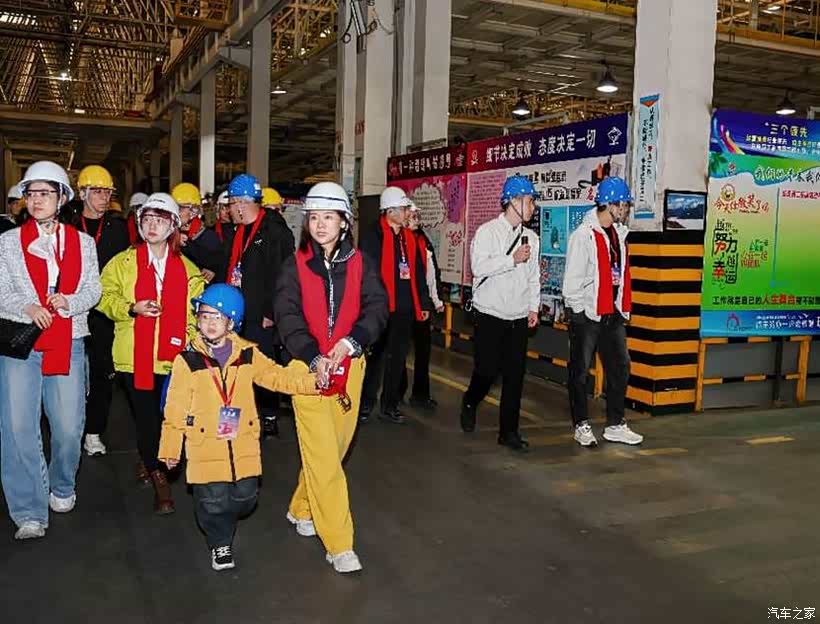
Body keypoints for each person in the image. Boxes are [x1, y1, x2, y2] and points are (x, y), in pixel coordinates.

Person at [159, 284, 319, 571]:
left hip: (242, 440)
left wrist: (314, 383)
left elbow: (277, 376)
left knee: (246, 497)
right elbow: (175, 408)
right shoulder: (187, 361)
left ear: (232, 323)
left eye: (217, 317)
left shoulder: (248, 355)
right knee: (213, 501)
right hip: (204, 445)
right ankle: (220, 542)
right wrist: (171, 449)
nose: (209, 322)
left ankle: (223, 517)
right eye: (204, 316)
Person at [274, 182, 387, 573]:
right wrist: (312, 355)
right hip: (305, 370)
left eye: (328, 217)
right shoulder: (293, 266)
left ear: (344, 222)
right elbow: (287, 316)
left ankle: (301, 507)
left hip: (350, 367)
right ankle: (339, 543)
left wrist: (352, 342)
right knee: (324, 455)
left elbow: (377, 307)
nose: (320, 224)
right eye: (314, 217)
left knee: (334, 449)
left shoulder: (362, 264)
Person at [0, 161, 102, 540]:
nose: (36, 200)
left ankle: (62, 483)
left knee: (68, 429)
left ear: (62, 198)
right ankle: (28, 510)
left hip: (68, 341)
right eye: (31, 193)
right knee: (17, 428)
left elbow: (93, 290)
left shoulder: (83, 243)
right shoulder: (8, 242)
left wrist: (69, 302)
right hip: (20, 344)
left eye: (45, 193)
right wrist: (27, 307)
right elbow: (1, 289)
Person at [98, 192, 205, 514]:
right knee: (147, 419)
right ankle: (160, 479)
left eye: (160, 220)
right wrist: (131, 308)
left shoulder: (188, 269)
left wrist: (189, 344)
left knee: (169, 418)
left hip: (174, 359)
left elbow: (195, 316)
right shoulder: (122, 263)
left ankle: (151, 460)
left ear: (173, 226)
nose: (152, 226)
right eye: (147, 219)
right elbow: (103, 297)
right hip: (134, 357)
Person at [459, 175, 541, 452]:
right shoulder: (487, 232)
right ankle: (470, 400)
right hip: (490, 315)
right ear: (514, 201)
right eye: (529, 201)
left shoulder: (532, 238)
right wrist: (511, 259)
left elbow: (533, 277)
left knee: (515, 376)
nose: (532, 207)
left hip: (518, 316)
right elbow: (479, 267)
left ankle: (509, 432)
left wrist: (533, 306)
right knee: (487, 370)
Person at [563, 176, 643, 448]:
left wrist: (619, 308)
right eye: (623, 205)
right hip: (587, 315)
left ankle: (615, 424)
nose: (626, 210)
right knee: (580, 372)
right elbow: (572, 281)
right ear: (609, 204)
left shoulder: (618, 234)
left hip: (612, 313)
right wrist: (579, 313)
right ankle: (581, 425)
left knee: (620, 367)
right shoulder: (583, 235)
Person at [220, 174, 295, 438]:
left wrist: (271, 313)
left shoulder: (275, 232)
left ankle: (268, 417)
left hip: (261, 317)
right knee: (235, 367)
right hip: (237, 313)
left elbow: (285, 277)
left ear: (242, 203)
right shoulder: (238, 232)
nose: (229, 210)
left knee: (262, 367)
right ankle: (236, 419)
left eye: (231, 204)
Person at [68, 165, 131, 457]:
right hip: (72, 310)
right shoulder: (68, 226)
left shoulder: (118, 229)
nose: (104, 198)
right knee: (70, 374)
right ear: (83, 194)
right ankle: (70, 428)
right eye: (98, 192)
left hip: (104, 312)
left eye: (108, 192)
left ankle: (93, 432)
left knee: (102, 373)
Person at [360, 187, 432, 424]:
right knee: (375, 358)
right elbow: (366, 273)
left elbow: (418, 273)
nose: (407, 212)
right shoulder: (373, 236)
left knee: (398, 359)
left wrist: (423, 302)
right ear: (390, 211)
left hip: (404, 309)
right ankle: (365, 403)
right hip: (380, 308)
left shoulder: (409, 238)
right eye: (403, 208)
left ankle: (390, 405)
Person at [399, 201, 444, 410]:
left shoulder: (423, 239)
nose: (417, 219)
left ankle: (421, 394)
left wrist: (436, 299)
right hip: (404, 305)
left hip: (422, 304)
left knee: (423, 352)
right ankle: (396, 393)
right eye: (413, 215)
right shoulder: (398, 240)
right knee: (399, 351)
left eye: (418, 215)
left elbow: (431, 273)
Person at [171, 182, 222, 280]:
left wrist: (213, 270)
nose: (175, 212)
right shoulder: (168, 233)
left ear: (193, 211)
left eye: (180, 208)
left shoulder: (209, 238)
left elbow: (221, 266)